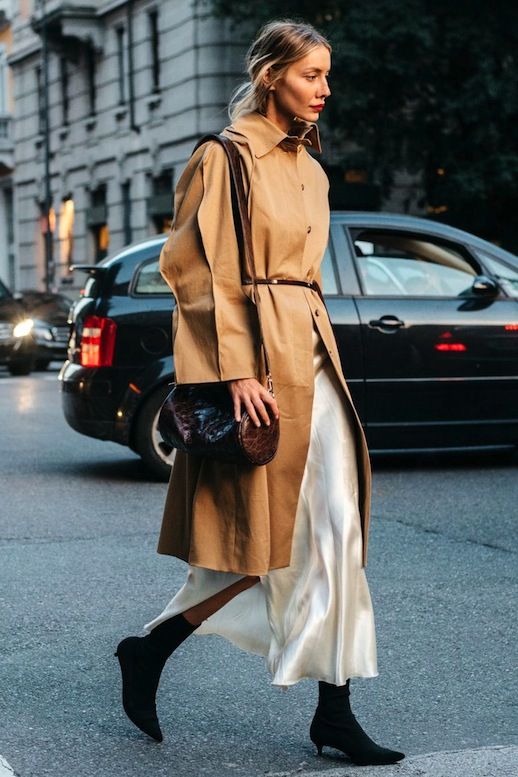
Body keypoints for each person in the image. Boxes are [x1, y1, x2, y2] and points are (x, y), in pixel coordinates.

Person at [115, 19, 405, 767]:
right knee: (258, 542)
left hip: (311, 347)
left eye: (328, 75)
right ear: (273, 74)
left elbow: (302, 273)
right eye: (313, 75)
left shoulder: (311, 165)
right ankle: (151, 650)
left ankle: (334, 710)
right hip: (255, 358)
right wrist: (236, 368)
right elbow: (196, 273)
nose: (325, 90)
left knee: (338, 529)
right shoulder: (225, 157)